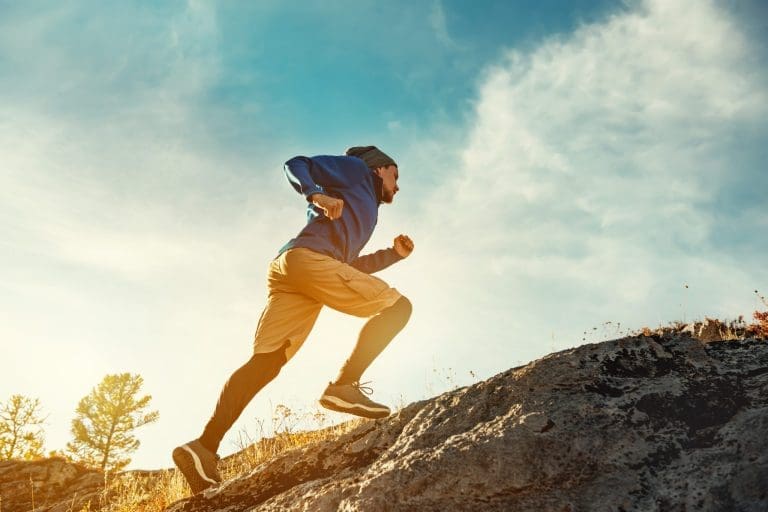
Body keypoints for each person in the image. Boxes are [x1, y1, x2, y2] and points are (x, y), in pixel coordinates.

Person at [172, 145, 414, 494]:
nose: (398, 186)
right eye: (396, 175)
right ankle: (345, 385)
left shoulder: (362, 207)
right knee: (398, 308)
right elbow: (296, 164)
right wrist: (314, 193)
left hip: (295, 269)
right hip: (307, 260)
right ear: (380, 169)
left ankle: (203, 447)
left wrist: (393, 255)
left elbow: (345, 268)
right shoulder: (357, 171)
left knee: (267, 361)